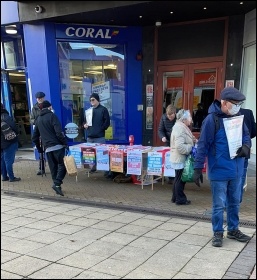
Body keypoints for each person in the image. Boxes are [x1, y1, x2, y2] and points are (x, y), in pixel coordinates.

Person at [193, 87, 251, 247]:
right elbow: (203, 144)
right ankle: (217, 232)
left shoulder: (239, 116)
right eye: (235, 104)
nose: (238, 107)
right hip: (219, 171)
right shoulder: (212, 120)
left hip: (236, 170)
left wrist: (246, 146)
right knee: (219, 205)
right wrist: (197, 168)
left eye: (239, 104)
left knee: (234, 203)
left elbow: (247, 135)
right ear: (224, 103)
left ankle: (233, 229)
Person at [32, 101, 68, 196]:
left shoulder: (38, 119)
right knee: (63, 165)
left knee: (53, 168)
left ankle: (57, 187)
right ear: (49, 107)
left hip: (47, 148)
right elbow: (59, 132)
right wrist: (65, 143)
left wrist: (39, 149)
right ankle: (57, 184)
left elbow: (34, 137)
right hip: (57, 146)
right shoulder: (52, 116)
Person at [170, 109, 197, 205]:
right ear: (184, 119)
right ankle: (180, 199)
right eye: (189, 118)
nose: (191, 120)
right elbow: (180, 146)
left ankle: (175, 197)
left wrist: (194, 140)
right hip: (179, 158)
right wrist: (191, 147)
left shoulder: (182, 127)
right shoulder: (180, 128)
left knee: (178, 178)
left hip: (178, 158)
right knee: (180, 180)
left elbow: (187, 139)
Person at [83, 93, 110, 173]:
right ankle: (92, 168)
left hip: (99, 137)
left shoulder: (103, 109)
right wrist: (84, 125)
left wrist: (101, 129)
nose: (91, 101)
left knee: (102, 154)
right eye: (90, 100)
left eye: (93, 99)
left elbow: (107, 122)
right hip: (90, 136)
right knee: (90, 155)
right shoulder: (89, 111)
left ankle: (105, 171)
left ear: (97, 100)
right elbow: (85, 121)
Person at [239, 108, 256, 203]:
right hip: (245, 149)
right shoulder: (248, 113)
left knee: (229, 176)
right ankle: (237, 200)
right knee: (241, 175)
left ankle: (228, 202)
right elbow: (253, 131)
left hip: (230, 151)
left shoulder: (223, 113)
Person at [1, 103, 21, 182]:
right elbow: (14, 127)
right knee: (8, 160)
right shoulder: (5, 116)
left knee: (3, 160)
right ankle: (12, 177)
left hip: (2, 143)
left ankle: (4, 176)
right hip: (9, 141)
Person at [158, 104, 176, 184]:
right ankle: (170, 177)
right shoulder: (163, 117)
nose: (170, 118)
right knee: (168, 159)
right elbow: (160, 130)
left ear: (175, 113)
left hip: (176, 141)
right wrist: (162, 137)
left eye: (171, 117)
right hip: (167, 141)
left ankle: (176, 176)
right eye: (169, 117)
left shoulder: (179, 117)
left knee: (176, 159)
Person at [30, 91, 46, 175]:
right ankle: (41, 168)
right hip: (38, 129)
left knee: (48, 148)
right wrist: (36, 121)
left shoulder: (47, 105)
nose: (40, 99)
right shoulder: (34, 108)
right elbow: (31, 119)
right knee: (35, 141)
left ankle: (51, 166)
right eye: (38, 98)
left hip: (46, 130)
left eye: (41, 98)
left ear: (43, 98)